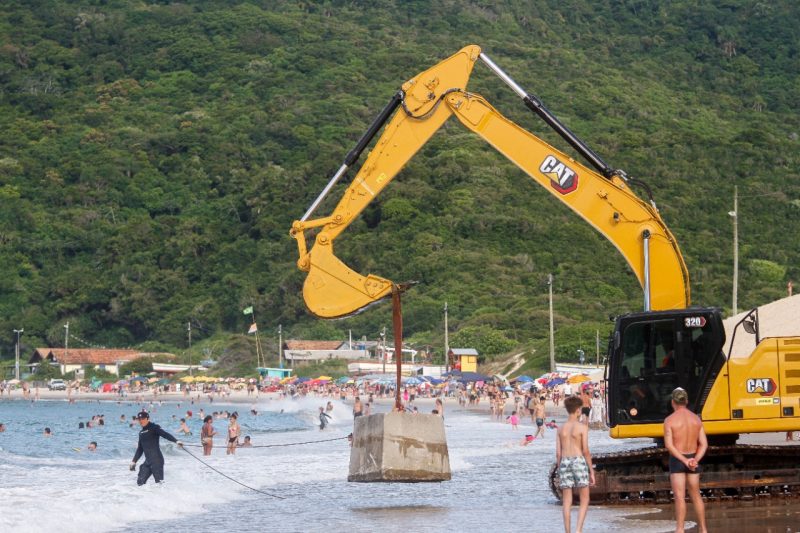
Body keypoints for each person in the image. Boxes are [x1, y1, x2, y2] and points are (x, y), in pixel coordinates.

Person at [663, 387, 708, 533]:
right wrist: (694, 459)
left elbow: (669, 446)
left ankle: (680, 529)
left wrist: (684, 460)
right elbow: (704, 444)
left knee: (679, 497)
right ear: (686, 401)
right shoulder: (696, 419)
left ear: (672, 402)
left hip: (678, 460)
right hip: (692, 458)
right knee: (696, 495)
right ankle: (703, 529)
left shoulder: (669, 420)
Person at [556, 395, 595, 533]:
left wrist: (559, 468)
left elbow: (558, 454)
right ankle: (578, 530)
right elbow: (586, 451)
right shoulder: (582, 427)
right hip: (578, 460)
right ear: (578, 410)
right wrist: (591, 471)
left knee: (567, 500)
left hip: (565, 461)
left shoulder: (560, 429)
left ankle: (568, 531)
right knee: (585, 498)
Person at [130, 411, 182, 485]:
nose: (141, 421)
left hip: (157, 461)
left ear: (148, 418)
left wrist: (176, 441)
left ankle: (166, 495)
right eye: (139, 419)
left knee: (159, 484)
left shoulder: (154, 427)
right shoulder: (141, 433)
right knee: (140, 482)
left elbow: (165, 434)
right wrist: (134, 461)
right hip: (147, 462)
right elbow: (140, 449)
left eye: (143, 418)